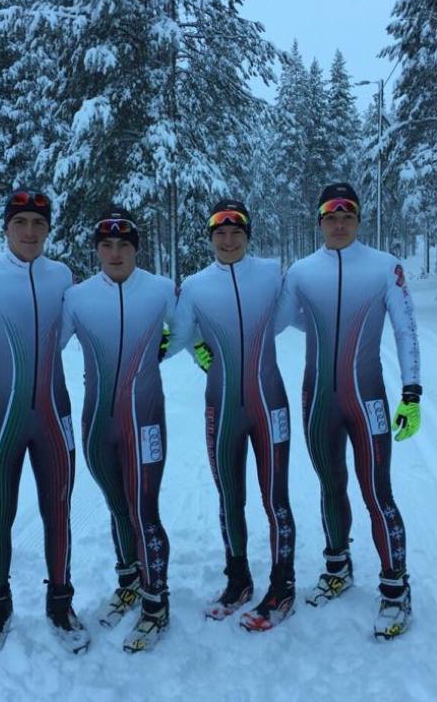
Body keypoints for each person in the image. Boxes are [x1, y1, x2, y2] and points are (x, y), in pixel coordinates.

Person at [275, 182, 422, 639]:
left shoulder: (383, 267)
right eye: (331, 217)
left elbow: (405, 330)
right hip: (318, 400)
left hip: (367, 398)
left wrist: (412, 393)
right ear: (320, 222)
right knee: (330, 485)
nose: (339, 224)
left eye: (348, 216)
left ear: (357, 220)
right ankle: (337, 567)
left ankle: (396, 589)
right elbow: (279, 321)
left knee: (377, 492)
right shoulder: (301, 272)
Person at [0, 190, 89, 657]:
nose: (30, 232)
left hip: (53, 415)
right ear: (6, 227)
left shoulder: (61, 276)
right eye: (21, 222)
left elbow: (68, 331)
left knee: (59, 511)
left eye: (38, 223)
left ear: (48, 229)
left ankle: (61, 604)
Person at [167, 200, 296, 632]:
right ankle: (238, 581)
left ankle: (282, 587)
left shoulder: (271, 274)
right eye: (219, 232)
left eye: (236, 231)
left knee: (275, 498)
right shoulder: (195, 286)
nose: (228, 239)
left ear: (247, 235)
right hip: (222, 407)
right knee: (230, 498)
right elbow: (179, 336)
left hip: (269, 403)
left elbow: (292, 317)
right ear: (211, 238)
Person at [60, 209, 176, 653]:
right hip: (97, 425)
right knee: (117, 507)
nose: (115, 253)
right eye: (106, 245)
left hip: (145, 422)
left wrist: (164, 348)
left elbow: (186, 331)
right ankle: (129, 580)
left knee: (144, 510)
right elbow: (49, 348)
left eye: (123, 245)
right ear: (97, 251)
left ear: (135, 250)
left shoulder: (160, 290)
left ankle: (156, 601)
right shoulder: (78, 298)